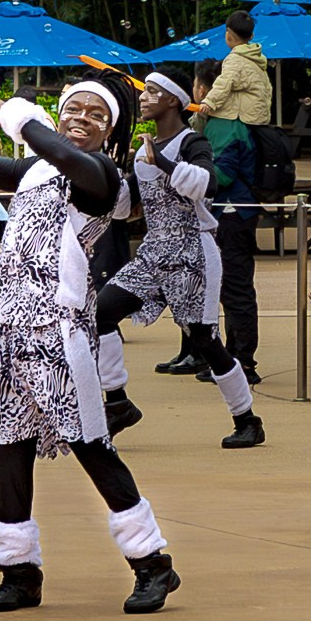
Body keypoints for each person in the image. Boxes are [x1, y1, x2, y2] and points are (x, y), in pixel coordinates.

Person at [0, 77, 179, 615]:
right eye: (73, 107)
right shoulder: (37, 168)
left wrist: (19, 116)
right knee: (10, 445)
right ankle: (18, 570)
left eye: (96, 114)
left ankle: (152, 563)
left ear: (112, 130)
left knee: (90, 443)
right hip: (12, 331)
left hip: (61, 330)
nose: (82, 117)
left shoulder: (105, 177)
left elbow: (58, 150)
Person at [96, 68, 265, 449]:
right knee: (99, 314)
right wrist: (113, 177)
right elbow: (126, 209)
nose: (143, 97)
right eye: (143, 92)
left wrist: (164, 164)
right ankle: (118, 402)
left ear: (173, 100)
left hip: (193, 252)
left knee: (204, 340)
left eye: (152, 92)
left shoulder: (193, 142)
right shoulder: (144, 150)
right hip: (154, 251)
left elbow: (209, 183)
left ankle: (248, 420)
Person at [192, 59, 262, 376]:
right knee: (231, 289)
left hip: (232, 211)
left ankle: (243, 360)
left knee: (236, 289)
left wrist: (187, 177)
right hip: (235, 212)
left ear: (204, 90)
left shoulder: (223, 124)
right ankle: (235, 358)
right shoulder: (230, 121)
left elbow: (223, 173)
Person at [203, 11, 273, 126]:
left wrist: (209, 102)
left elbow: (224, 83)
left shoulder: (236, 59)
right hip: (258, 117)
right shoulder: (256, 58)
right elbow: (268, 88)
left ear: (228, 35)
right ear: (251, 36)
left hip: (243, 120)